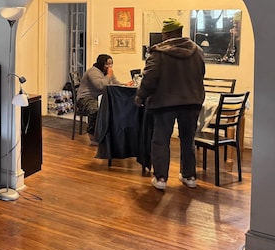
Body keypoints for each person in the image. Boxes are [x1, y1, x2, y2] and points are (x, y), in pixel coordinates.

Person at [134, 18, 205, 191]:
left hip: (165, 103)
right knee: (188, 140)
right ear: (180, 31)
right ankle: (189, 176)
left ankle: (161, 179)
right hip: (192, 102)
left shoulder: (159, 53)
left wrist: (140, 96)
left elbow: (149, 79)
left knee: (160, 141)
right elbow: (201, 73)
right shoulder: (197, 51)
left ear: (166, 34)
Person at [76, 54, 132, 145]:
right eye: (107, 64)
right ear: (101, 64)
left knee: (115, 107)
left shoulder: (108, 73)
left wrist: (125, 85)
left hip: (99, 98)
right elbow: (100, 86)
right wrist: (109, 76)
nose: (109, 67)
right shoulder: (92, 71)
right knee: (96, 109)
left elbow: (115, 83)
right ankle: (92, 135)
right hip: (86, 98)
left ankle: (110, 134)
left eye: (111, 64)